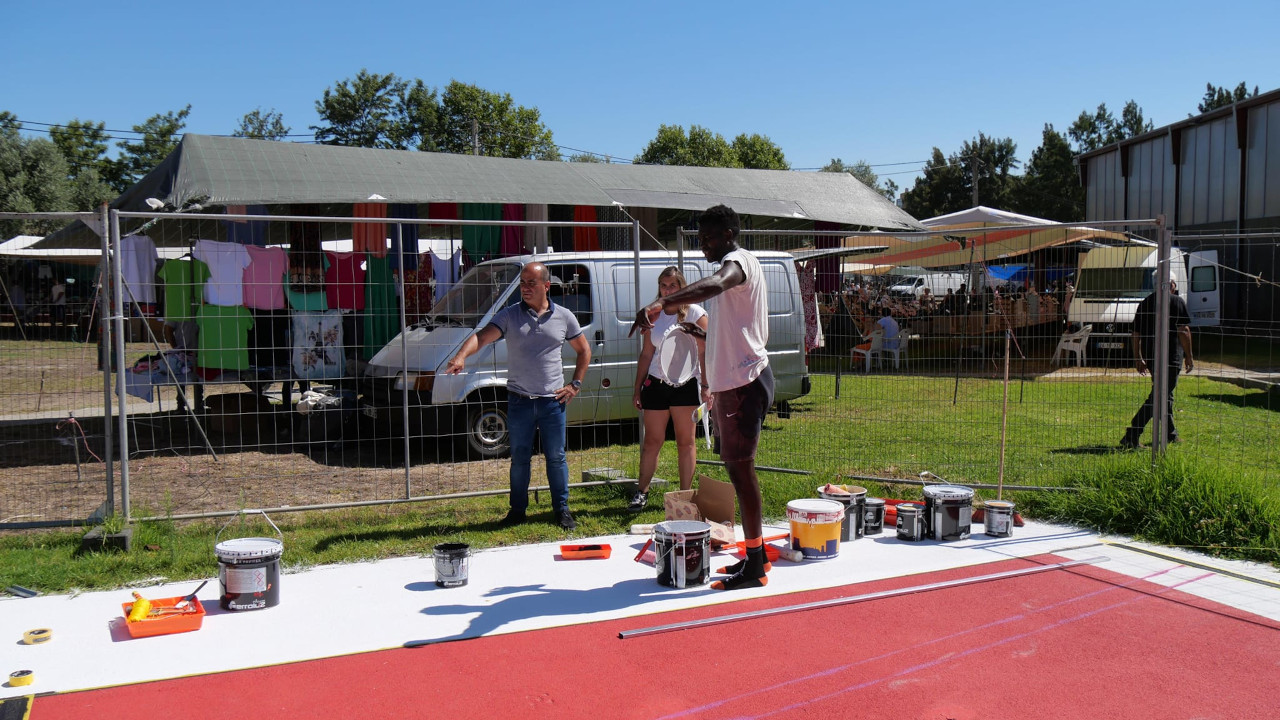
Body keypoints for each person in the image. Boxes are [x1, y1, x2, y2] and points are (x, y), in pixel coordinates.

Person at [632, 205, 774, 591]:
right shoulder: (739, 262)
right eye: (699, 239)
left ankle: (756, 565)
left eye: (707, 238)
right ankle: (756, 557)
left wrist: (663, 303)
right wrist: (698, 333)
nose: (702, 246)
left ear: (729, 233)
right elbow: (729, 332)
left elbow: (718, 281)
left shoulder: (736, 262)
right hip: (739, 381)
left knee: (742, 474)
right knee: (740, 471)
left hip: (744, 383)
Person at [446, 261, 591, 530]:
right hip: (519, 401)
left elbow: (584, 350)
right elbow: (482, 337)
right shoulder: (510, 315)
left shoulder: (565, 317)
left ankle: (561, 510)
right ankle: (517, 511)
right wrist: (460, 356)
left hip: (552, 402)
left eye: (530, 283)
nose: (524, 288)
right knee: (520, 458)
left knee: (556, 457)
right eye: (522, 283)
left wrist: (575, 385)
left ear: (546, 286)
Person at [628, 267, 710, 511]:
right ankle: (641, 492)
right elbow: (646, 353)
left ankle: (685, 496)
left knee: (686, 442)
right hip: (656, 384)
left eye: (673, 285)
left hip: (686, 385)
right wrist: (637, 388)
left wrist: (706, 385)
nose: (668, 290)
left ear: (682, 286)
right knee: (652, 441)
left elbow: (706, 350)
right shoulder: (654, 314)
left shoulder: (695, 312)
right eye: (664, 286)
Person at [1121, 280, 1193, 449]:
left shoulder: (1145, 303)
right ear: (1172, 285)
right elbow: (1184, 331)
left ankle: (1170, 434)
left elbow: (1135, 333)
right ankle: (1132, 434)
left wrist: (1138, 357)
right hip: (1171, 357)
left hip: (1151, 355)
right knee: (1158, 397)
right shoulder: (1177, 301)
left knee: (1165, 395)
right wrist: (1189, 356)